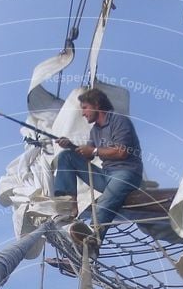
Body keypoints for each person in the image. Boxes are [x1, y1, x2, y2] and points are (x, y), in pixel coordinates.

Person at [53, 88, 144, 250]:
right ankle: (70, 206)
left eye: (85, 107)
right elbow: (87, 155)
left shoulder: (119, 121)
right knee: (66, 156)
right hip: (106, 175)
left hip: (126, 173)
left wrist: (94, 151)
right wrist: (71, 145)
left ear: (97, 105)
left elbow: (122, 152)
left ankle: (88, 250)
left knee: (101, 208)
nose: (83, 113)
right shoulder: (95, 130)